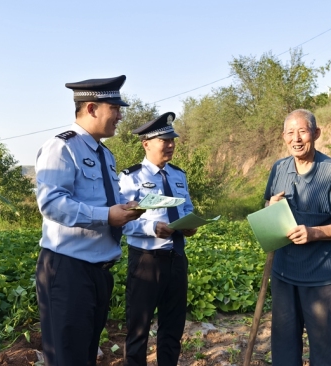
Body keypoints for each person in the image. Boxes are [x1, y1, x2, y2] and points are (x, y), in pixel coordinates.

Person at [35, 75, 144, 366]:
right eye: (115, 108)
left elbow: (104, 203)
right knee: (67, 357)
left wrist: (125, 211)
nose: (120, 115)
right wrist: (106, 215)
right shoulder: (62, 147)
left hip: (97, 273)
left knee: (85, 356)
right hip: (68, 271)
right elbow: (51, 202)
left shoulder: (104, 155)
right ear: (92, 108)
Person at [264, 109, 331, 366]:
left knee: (324, 345)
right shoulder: (279, 169)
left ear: (315, 133)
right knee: (283, 343)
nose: (296, 138)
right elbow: (267, 205)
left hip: (321, 277)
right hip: (283, 272)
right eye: (290, 133)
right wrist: (270, 207)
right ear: (283, 136)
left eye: (302, 131)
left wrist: (314, 232)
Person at [118, 112, 197, 366]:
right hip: (146, 262)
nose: (171, 144)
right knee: (138, 330)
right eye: (165, 140)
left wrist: (189, 225)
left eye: (173, 139)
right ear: (147, 143)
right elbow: (122, 223)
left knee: (172, 329)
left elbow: (186, 210)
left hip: (176, 258)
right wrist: (153, 228)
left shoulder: (178, 175)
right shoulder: (132, 177)